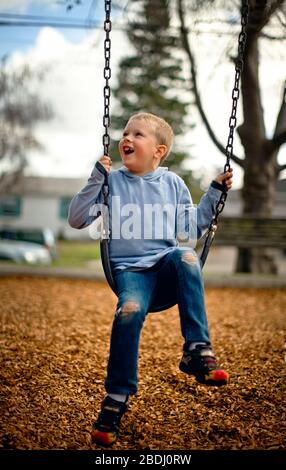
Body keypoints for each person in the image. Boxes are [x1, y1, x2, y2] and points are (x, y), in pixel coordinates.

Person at [68, 112, 233, 447]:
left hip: (166, 266)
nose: (126, 138)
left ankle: (196, 348)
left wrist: (215, 191)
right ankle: (115, 399)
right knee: (128, 311)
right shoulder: (111, 181)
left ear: (159, 151)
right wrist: (96, 177)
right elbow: (76, 219)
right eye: (125, 132)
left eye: (137, 134)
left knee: (186, 255)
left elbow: (190, 230)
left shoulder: (172, 184)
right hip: (130, 273)